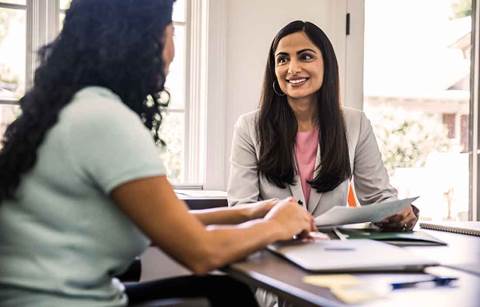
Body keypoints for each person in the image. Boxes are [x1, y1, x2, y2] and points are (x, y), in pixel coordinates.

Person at [0, 2, 316, 306]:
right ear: (144, 40)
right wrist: (277, 225)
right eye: (172, 33)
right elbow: (202, 252)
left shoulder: (73, 108)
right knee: (227, 294)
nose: (174, 52)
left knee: (224, 291)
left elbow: (166, 221)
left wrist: (249, 213)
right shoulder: (104, 120)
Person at [228, 20, 419, 231]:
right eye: (282, 59)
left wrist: (395, 212)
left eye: (306, 56)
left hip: (333, 251)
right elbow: (241, 209)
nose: (292, 69)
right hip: (273, 249)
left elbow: (378, 196)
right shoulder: (249, 127)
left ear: (326, 64)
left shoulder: (356, 124)